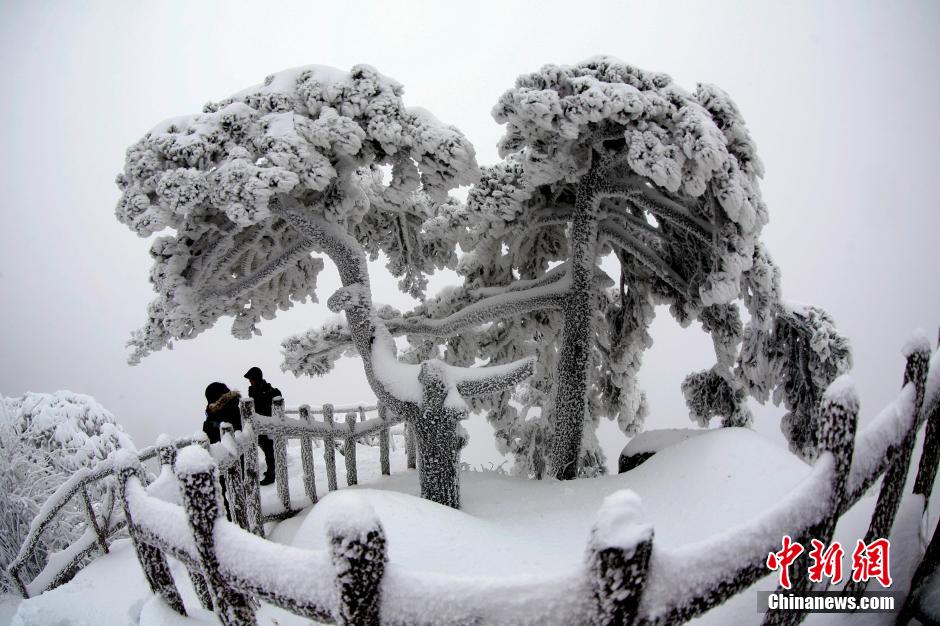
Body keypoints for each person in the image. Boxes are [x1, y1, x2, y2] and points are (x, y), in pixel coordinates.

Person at [244, 367, 281, 486]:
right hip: (258, 423)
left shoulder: (267, 389)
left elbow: (268, 403)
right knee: (267, 449)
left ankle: (271, 474)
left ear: (257, 378)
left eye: (252, 379)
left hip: (267, 423)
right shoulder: (254, 389)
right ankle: (271, 470)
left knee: (269, 450)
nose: (250, 381)